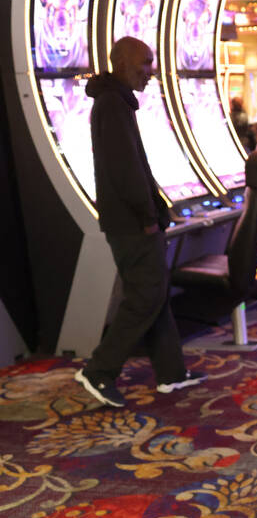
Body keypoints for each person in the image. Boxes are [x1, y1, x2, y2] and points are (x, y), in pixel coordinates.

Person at [74, 36, 206, 407]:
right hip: (132, 223)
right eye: (145, 63)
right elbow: (124, 169)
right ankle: (99, 370)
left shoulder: (116, 102)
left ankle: (171, 373)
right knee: (144, 297)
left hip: (136, 219)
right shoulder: (112, 105)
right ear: (121, 62)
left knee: (155, 294)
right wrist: (148, 216)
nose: (150, 71)